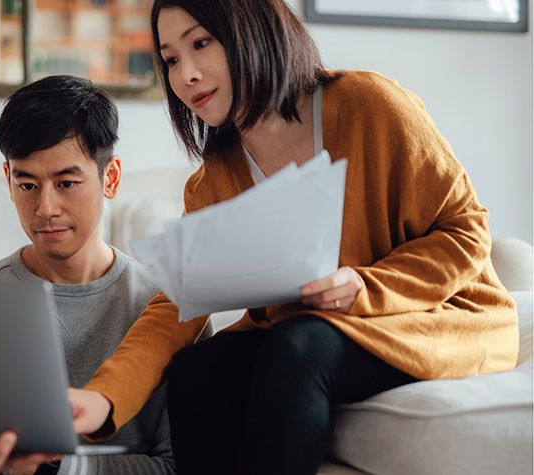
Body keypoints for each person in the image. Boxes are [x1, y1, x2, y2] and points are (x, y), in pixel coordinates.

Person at [67, 1, 520, 474]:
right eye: (172, 59)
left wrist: (366, 287)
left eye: (201, 43)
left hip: (435, 316)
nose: (187, 75)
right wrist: (104, 397)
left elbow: (466, 230)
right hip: (316, 329)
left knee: (300, 344)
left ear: (253, 30)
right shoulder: (213, 181)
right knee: (199, 371)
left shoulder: (371, 105)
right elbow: (177, 306)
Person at [0, 74, 177, 475]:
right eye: (27, 184)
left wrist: (50, 470)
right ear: (8, 181)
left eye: (66, 182)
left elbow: (179, 466)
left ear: (110, 178)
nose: (45, 208)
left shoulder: (166, 308)